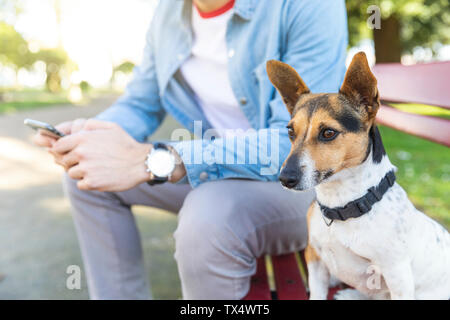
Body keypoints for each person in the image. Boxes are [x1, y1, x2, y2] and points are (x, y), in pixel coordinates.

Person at [32, 0, 348, 299]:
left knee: (209, 216)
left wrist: (159, 160)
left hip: (303, 187)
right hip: (221, 174)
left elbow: (293, 142)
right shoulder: (168, 14)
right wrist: (90, 136)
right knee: (87, 173)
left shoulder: (307, 6)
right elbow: (140, 103)